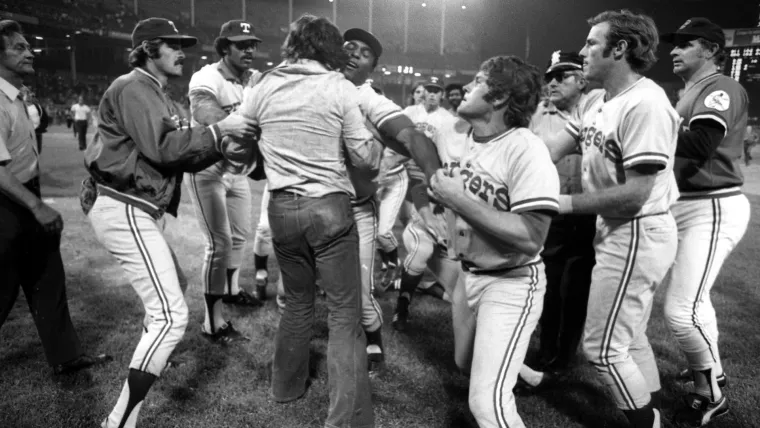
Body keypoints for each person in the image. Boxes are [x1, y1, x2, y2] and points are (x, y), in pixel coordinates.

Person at [83, 18, 259, 428]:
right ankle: (118, 423)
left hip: (138, 207)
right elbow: (162, 150)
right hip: (122, 205)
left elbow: (185, 155)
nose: (183, 51)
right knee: (170, 315)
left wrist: (224, 144)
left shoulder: (159, 93)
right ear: (148, 48)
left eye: (183, 45)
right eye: (173, 45)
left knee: (171, 296)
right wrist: (219, 130)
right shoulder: (133, 86)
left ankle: (152, 353)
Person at [237, 14, 384, 427]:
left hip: (282, 207)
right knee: (343, 314)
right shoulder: (339, 87)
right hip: (330, 206)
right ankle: (347, 417)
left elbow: (238, 142)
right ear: (330, 48)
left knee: (297, 303)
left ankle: (285, 387)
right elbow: (363, 157)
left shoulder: (263, 83)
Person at [544, 10, 680, 428]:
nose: (582, 51)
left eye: (591, 42)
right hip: (620, 230)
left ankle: (647, 423)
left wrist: (560, 204)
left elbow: (635, 196)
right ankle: (654, 408)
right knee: (631, 337)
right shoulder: (602, 99)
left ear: (619, 48)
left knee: (602, 348)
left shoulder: (646, 103)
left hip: (637, 230)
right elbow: (550, 149)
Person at [431, 55, 559, 428]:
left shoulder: (525, 149)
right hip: (469, 276)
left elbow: (532, 237)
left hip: (512, 282)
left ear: (500, 96)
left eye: (478, 81)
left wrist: (457, 199)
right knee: (464, 363)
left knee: (487, 403)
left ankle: (510, 370)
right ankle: (521, 368)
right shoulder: (465, 136)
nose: (468, 88)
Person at [0, 18, 111, 378]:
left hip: (24, 194)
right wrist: (35, 206)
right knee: (2, 285)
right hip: (7, 202)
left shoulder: (15, 96)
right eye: (18, 47)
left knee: (47, 276)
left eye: (26, 45)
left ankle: (65, 355)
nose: (29, 51)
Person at [660, 18, 750, 425]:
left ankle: (710, 393)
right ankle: (713, 368)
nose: (673, 50)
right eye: (673, 44)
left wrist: (650, 126)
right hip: (693, 204)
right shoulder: (690, 90)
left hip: (713, 205)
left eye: (684, 43)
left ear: (712, 49)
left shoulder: (722, 87)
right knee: (696, 302)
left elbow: (699, 144)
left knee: (681, 310)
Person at [342, 27, 442, 369]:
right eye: (349, 47)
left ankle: (372, 337)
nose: (354, 53)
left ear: (373, 68)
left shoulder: (367, 97)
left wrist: (437, 178)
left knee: (359, 283)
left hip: (357, 204)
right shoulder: (316, 84)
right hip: (312, 200)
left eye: (364, 53)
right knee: (306, 285)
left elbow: (412, 137)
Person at [185, 19, 264, 346]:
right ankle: (211, 320)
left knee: (240, 236)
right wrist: (230, 129)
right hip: (207, 169)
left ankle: (231, 291)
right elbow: (203, 110)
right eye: (240, 44)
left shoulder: (254, 80)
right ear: (223, 48)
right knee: (218, 244)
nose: (248, 49)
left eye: (251, 44)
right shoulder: (207, 76)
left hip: (237, 171)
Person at [527, 50, 595, 376]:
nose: (552, 82)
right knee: (549, 285)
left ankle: (566, 355)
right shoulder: (536, 114)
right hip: (551, 213)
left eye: (562, 75)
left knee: (576, 288)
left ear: (582, 79)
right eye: (549, 76)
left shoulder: (599, 111)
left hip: (588, 213)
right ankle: (547, 349)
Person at [21, 88, 48, 153]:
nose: (29, 97)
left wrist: (41, 128)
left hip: (37, 132)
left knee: (37, 151)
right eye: (26, 95)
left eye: (31, 95)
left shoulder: (38, 107)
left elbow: (45, 119)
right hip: (24, 134)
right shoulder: (20, 107)